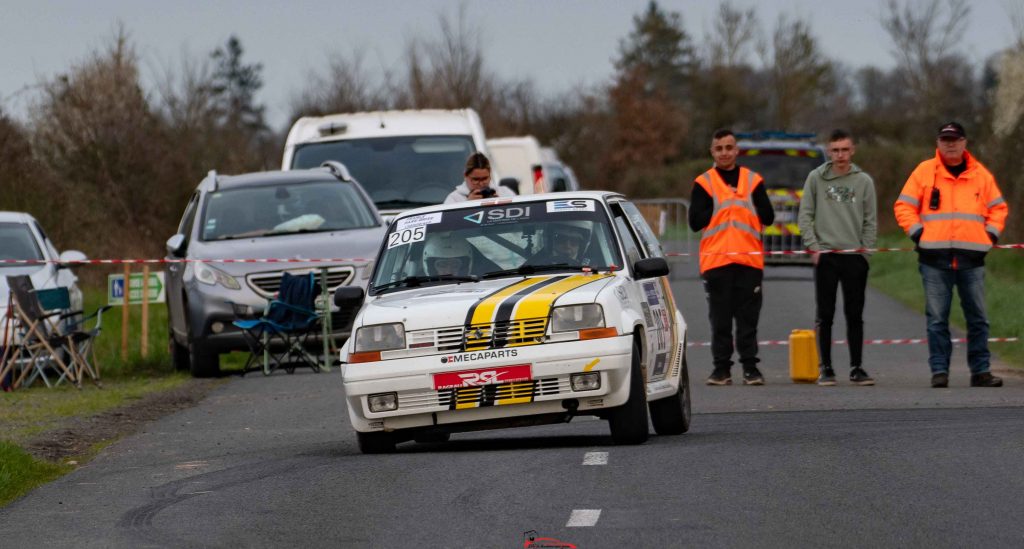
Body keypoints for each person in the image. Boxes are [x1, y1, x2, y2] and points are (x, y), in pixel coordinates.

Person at [894, 121, 1008, 388]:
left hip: (972, 259)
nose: (950, 144)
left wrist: (989, 236)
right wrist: (918, 234)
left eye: (955, 139)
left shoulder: (981, 175)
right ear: (938, 143)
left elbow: (999, 209)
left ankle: (981, 372)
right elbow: (903, 206)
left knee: (978, 319)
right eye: (945, 139)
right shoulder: (923, 172)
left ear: (964, 142)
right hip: (934, 260)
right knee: (937, 320)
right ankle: (939, 372)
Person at [689, 128, 775, 386]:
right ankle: (721, 370)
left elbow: (768, 217)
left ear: (736, 150)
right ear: (712, 152)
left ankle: (751, 369)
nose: (724, 153)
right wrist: (718, 210)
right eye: (719, 148)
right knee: (720, 320)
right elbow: (694, 222)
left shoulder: (753, 180)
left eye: (729, 147)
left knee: (748, 320)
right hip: (717, 262)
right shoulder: (704, 183)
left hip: (749, 262)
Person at [798, 129, 878, 386]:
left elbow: (870, 220)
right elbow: (805, 216)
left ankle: (856, 367)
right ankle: (827, 367)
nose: (840, 155)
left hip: (854, 256)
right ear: (828, 151)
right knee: (826, 314)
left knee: (855, 314)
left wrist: (864, 251)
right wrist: (814, 247)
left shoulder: (863, 181)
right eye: (835, 150)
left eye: (845, 149)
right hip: (827, 256)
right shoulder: (816, 178)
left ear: (852, 150)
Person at [444, 152, 516, 204]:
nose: (481, 184)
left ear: (490, 174)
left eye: (485, 179)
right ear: (465, 175)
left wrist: (500, 203)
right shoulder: (454, 199)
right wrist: (467, 204)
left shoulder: (505, 193)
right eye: (476, 179)